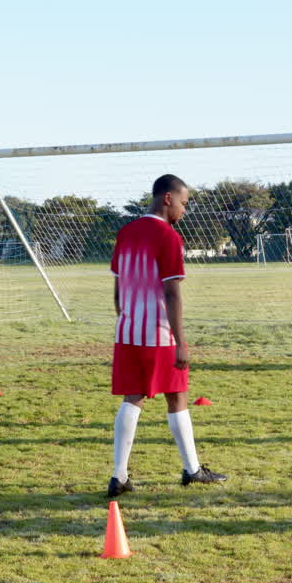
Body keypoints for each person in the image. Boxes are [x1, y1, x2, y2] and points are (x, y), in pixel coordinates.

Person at [106, 174, 227, 498]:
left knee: (134, 397)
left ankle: (119, 477)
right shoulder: (169, 237)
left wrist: (126, 318)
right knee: (176, 396)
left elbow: (117, 288)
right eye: (184, 203)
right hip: (159, 334)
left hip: (128, 331)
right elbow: (172, 293)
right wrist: (181, 341)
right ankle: (191, 471)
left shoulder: (126, 232)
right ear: (168, 199)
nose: (184, 211)